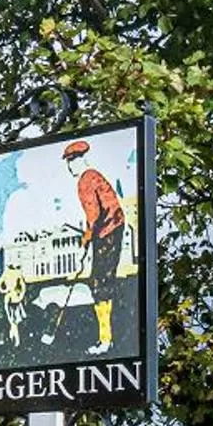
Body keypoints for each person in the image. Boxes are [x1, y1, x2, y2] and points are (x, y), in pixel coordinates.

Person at [62, 139, 129, 352]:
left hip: (106, 232)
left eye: (70, 162)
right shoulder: (95, 175)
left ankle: (105, 340)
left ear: (77, 160)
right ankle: (106, 337)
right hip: (114, 229)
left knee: (99, 285)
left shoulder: (85, 180)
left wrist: (87, 237)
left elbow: (94, 214)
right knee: (102, 282)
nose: (69, 167)